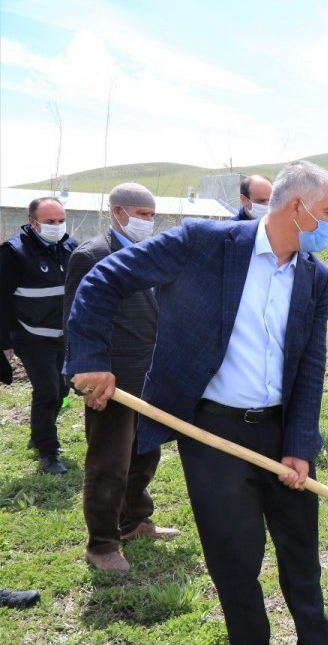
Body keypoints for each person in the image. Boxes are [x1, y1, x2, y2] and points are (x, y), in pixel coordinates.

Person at [65, 160, 328, 643]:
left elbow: (310, 365)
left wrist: (299, 445)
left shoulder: (316, 276)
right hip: (212, 432)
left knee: (301, 550)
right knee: (235, 557)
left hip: (282, 432)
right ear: (298, 207)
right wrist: (91, 357)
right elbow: (106, 278)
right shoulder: (204, 244)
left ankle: (316, 637)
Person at [63, 183, 177, 574]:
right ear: (117, 212)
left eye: (152, 215)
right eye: (141, 214)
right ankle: (101, 544)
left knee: (145, 452)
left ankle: (134, 522)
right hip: (110, 378)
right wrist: (85, 375)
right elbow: (75, 319)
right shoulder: (91, 255)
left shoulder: (150, 254)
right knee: (109, 461)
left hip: (149, 373)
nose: (148, 221)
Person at [1, 196, 77, 474]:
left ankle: (39, 433)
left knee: (63, 390)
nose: (57, 226)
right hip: (31, 336)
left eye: (61, 221)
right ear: (32, 222)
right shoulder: (13, 252)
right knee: (47, 392)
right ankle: (47, 451)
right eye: (49, 221)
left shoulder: (70, 247)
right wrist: (4, 341)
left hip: (62, 335)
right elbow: (1, 299)